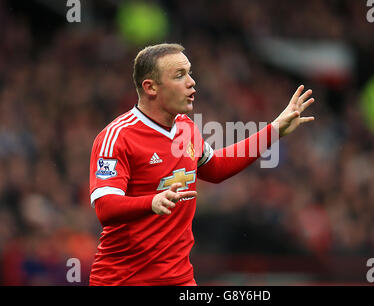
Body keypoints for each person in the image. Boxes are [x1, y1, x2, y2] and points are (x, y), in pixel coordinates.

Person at [89, 43, 315, 286]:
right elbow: (104, 207)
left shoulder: (186, 127)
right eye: (179, 76)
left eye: (189, 73)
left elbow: (215, 168)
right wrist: (150, 202)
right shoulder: (117, 137)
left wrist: (273, 131)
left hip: (180, 279)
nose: (191, 82)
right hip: (124, 281)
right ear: (150, 87)